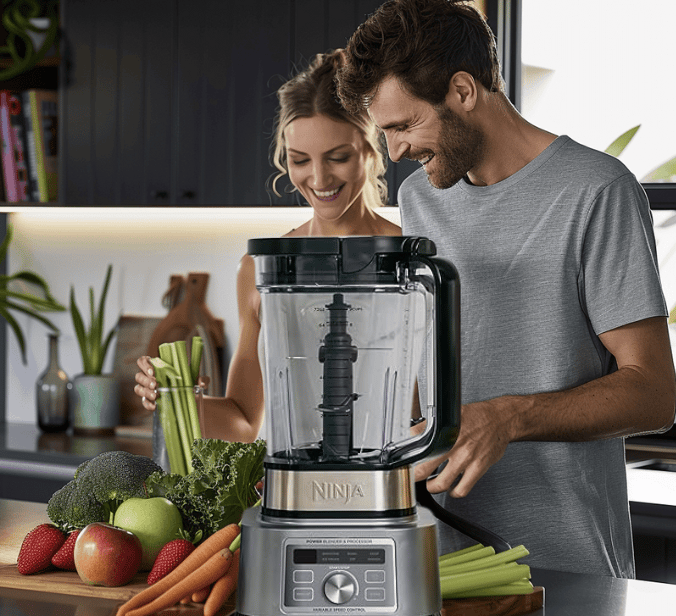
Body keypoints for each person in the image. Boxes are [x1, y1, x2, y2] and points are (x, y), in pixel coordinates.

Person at [335, 0, 676, 577]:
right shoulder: (421, 198)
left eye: (403, 126)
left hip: (567, 561)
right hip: (438, 561)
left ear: (463, 90)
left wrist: (509, 417)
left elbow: (655, 392)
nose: (394, 154)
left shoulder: (595, 191)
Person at [134, 49, 400, 444]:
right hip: (294, 491)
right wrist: (178, 398)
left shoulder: (410, 258)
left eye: (337, 157)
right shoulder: (261, 269)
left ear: (368, 148)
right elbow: (243, 422)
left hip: (397, 486)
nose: (319, 177)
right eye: (299, 160)